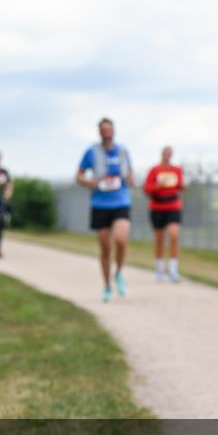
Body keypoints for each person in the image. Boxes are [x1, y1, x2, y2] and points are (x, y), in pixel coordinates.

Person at [76, 117, 134, 302]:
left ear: (114, 131)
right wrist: (89, 182)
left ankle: (118, 273)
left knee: (121, 239)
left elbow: (130, 173)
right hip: (100, 204)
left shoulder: (123, 151)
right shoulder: (91, 152)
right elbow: (78, 176)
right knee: (105, 248)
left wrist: (131, 179)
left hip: (121, 201)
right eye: (104, 130)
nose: (108, 133)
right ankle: (107, 285)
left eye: (110, 129)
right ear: (100, 132)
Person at [143, 146, 187, 282]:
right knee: (159, 239)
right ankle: (159, 269)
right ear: (162, 154)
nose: (167, 156)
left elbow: (179, 185)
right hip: (157, 207)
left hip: (173, 206)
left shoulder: (177, 170)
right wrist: (158, 185)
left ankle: (173, 269)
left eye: (169, 154)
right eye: (165, 153)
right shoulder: (154, 170)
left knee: (174, 236)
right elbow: (146, 189)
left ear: (171, 155)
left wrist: (184, 186)